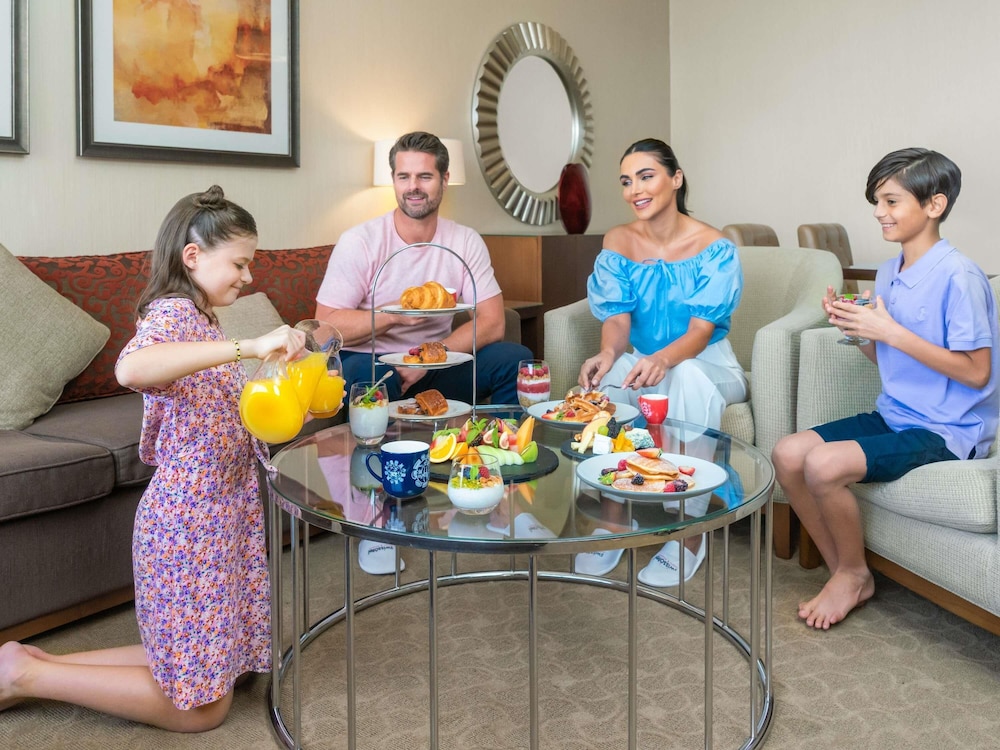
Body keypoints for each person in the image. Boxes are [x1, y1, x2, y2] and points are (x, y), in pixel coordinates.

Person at [0, 186, 306, 730]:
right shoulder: (174, 312)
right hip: (188, 526)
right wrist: (251, 346)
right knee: (202, 712)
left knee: (223, 666)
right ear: (193, 256)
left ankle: (34, 662)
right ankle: (27, 676)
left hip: (221, 518)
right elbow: (132, 368)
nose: (248, 276)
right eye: (239, 263)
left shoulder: (205, 318)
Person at [772, 148, 999, 630]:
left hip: (947, 430)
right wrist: (857, 331)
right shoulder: (889, 272)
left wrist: (891, 332)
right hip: (896, 414)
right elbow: (887, 359)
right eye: (877, 201)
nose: (879, 212)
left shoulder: (960, 277)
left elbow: (978, 372)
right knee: (788, 454)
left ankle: (853, 575)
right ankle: (845, 572)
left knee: (823, 464)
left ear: (934, 205)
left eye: (891, 201)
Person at [574, 138, 748, 586]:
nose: (635, 189)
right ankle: (615, 518)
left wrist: (662, 360)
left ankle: (689, 531)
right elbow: (617, 319)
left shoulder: (714, 246)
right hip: (643, 359)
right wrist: (608, 353)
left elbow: (700, 332)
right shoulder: (618, 240)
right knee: (606, 382)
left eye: (646, 176)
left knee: (686, 375)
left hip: (707, 364)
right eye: (626, 181)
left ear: (676, 178)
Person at [316, 131, 532, 407]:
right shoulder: (360, 241)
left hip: (436, 363)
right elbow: (324, 329)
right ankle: (378, 437)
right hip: (372, 363)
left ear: (445, 179)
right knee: (371, 378)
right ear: (393, 179)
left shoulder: (465, 241)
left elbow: (493, 322)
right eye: (403, 177)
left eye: (425, 176)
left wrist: (429, 357)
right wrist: (393, 316)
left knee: (514, 359)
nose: (413, 187)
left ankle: (501, 435)